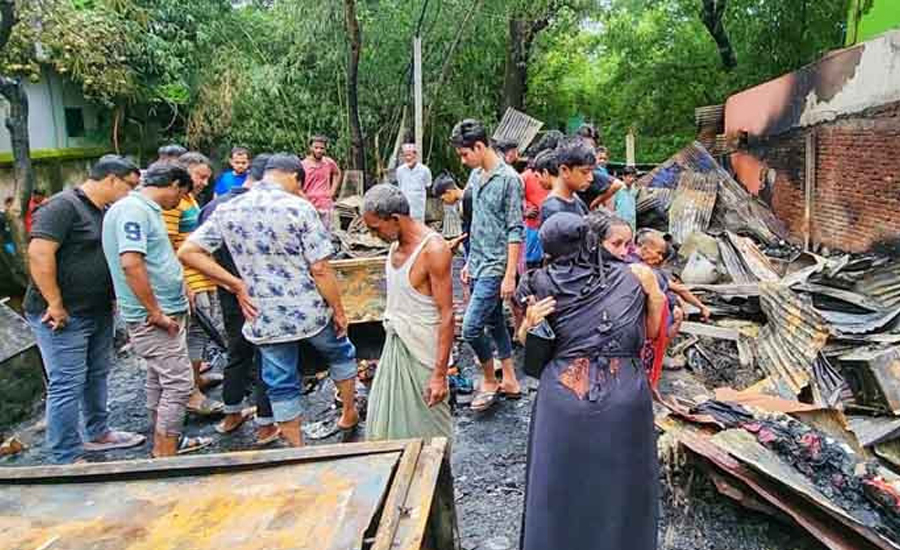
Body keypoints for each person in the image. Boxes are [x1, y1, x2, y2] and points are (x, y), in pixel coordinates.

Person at [178, 153, 360, 447]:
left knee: (280, 380)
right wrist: (338, 309)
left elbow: (188, 252)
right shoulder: (299, 208)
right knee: (341, 354)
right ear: (295, 177)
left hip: (263, 315)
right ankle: (349, 413)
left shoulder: (230, 208)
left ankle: (297, 449)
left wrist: (235, 284)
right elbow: (320, 268)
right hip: (309, 311)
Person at [515, 212, 664, 550]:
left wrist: (528, 324)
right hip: (625, 396)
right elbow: (651, 335)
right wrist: (656, 295)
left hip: (564, 399)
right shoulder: (634, 278)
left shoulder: (538, 283)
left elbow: (532, 352)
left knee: (559, 491)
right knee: (623, 492)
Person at [24, 156, 145, 464]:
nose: (131, 193)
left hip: (97, 308)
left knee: (97, 373)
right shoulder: (62, 207)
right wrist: (54, 302)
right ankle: (64, 454)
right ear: (111, 180)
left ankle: (98, 431)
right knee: (67, 380)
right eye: (129, 186)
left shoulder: (103, 210)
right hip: (63, 313)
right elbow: (39, 254)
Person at [102, 162, 213, 457]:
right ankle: (165, 452)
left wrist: (181, 285)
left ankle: (165, 442)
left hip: (164, 308)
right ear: (175, 185)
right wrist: (154, 311)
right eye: (181, 194)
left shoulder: (143, 210)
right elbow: (131, 263)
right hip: (154, 316)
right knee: (179, 384)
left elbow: (155, 258)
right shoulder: (133, 211)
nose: (179, 202)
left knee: (159, 380)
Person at [361, 184, 453, 442]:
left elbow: (446, 315)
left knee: (431, 433)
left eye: (375, 228)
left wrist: (440, 375)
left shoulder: (433, 250)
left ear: (395, 219)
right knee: (387, 430)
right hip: (396, 346)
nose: (372, 235)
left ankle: (438, 481)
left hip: (423, 353)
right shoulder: (395, 245)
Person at [199, 154, 279, 444]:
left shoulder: (211, 208)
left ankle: (232, 414)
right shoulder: (265, 207)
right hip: (263, 293)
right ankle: (266, 425)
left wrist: (228, 282)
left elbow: (198, 252)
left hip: (229, 293)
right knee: (267, 355)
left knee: (237, 352)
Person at [450, 119, 524, 411]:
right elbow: (478, 222)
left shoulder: (508, 180)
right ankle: (510, 379)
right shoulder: (476, 176)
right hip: (479, 262)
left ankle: (489, 378)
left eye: (465, 153)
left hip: (496, 267)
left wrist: (509, 275)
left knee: (470, 328)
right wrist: (469, 260)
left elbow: (515, 229)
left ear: (479, 146)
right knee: (494, 323)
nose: (463, 159)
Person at [161, 152, 224, 417]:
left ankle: (196, 379)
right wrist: (182, 281)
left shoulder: (189, 200)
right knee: (190, 336)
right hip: (190, 278)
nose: (204, 182)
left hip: (202, 275)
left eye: (207, 178)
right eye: (200, 176)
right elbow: (166, 245)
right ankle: (191, 394)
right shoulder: (173, 203)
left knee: (200, 334)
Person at [540, 137, 595, 223]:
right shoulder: (553, 208)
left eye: (592, 172)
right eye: (584, 172)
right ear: (564, 170)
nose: (590, 178)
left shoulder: (575, 199)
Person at [302, 135, 342, 230]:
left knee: (328, 234)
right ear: (310, 148)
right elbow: (297, 185)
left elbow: (337, 173)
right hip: (309, 206)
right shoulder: (303, 165)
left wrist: (332, 191)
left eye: (322, 148)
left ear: (325, 149)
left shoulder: (328, 162)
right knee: (310, 232)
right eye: (316, 147)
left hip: (326, 205)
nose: (319, 150)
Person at [523, 149, 555, 268]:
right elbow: (514, 198)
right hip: (533, 228)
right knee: (532, 264)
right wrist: (525, 210)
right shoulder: (525, 177)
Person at [395, 143, 432, 223]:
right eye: (405, 155)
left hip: (419, 208)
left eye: (409, 155)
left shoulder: (425, 170)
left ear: (415, 155)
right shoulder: (399, 171)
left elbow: (428, 186)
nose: (408, 158)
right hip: (404, 207)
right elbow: (400, 186)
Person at [432, 174, 467, 250]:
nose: (444, 202)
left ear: (449, 192)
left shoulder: (468, 201)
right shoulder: (460, 203)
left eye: (443, 199)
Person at [615, 165, 640, 232]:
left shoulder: (634, 190)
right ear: (623, 177)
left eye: (634, 177)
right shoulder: (617, 189)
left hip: (631, 223)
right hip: (619, 223)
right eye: (630, 176)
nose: (632, 179)